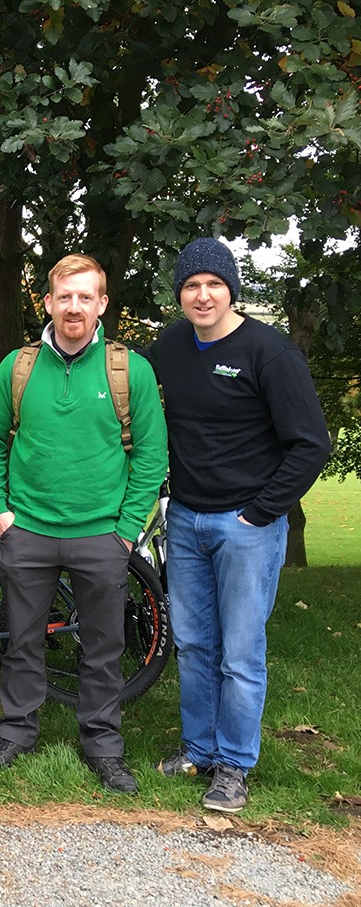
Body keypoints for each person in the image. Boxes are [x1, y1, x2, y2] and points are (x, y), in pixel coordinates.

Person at [148, 238, 329, 813]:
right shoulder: (172, 346)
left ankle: (233, 766)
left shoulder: (267, 351)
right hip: (185, 519)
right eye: (191, 285)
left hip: (245, 524)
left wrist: (260, 511)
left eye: (213, 285)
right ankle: (198, 749)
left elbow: (310, 445)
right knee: (195, 644)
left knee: (240, 651)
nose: (202, 295)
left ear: (231, 289)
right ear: (180, 293)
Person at [0, 254, 167, 793]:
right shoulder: (18, 367)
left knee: (104, 647)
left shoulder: (131, 370)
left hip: (102, 533)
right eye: (65, 296)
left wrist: (126, 529)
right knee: (22, 642)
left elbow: (151, 457)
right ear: (49, 303)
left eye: (86, 296)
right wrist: (2, 512)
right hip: (28, 529)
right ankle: (17, 732)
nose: (75, 306)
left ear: (102, 303)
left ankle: (103, 745)